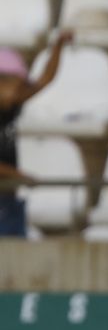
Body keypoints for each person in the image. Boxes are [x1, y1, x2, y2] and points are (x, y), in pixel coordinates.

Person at [0, 35, 71, 237]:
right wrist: (20, 176)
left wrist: (58, 46)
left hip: (8, 198)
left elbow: (45, 79)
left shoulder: (11, 104)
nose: (20, 90)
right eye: (14, 83)